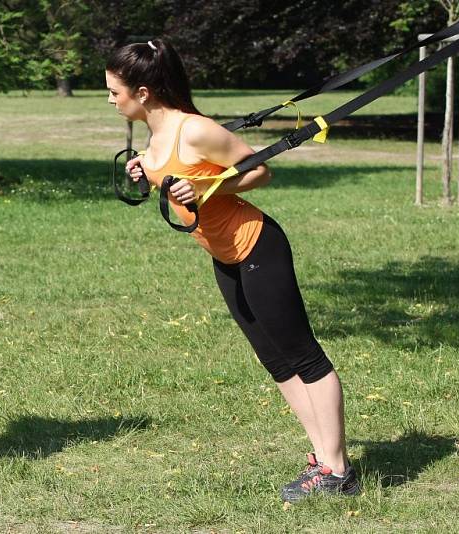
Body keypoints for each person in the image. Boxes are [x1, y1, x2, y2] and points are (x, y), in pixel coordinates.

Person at [105, 39, 360, 502]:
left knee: (304, 357)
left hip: (257, 245)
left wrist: (202, 192)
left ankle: (339, 472)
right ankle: (323, 458)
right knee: (277, 363)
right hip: (224, 256)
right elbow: (185, 175)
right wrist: (149, 171)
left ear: (142, 92)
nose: (109, 99)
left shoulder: (195, 130)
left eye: (114, 91)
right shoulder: (156, 134)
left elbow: (260, 172)